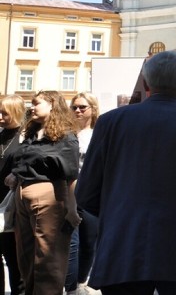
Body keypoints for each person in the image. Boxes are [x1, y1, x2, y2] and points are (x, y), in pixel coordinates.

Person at [76, 51, 176, 294]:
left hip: (122, 246)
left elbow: (86, 192)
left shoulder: (110, 122)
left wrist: (117, 214)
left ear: (147, 84)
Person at [2, 91, 80, 294]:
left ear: (53, 105)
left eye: (37, 103)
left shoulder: (65, 136)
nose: (32, 107)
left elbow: (71, 175)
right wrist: (16, 174)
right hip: (22, 197)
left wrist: (72, 208)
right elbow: (24, 161)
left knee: (48, 258)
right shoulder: (31, 133)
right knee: (25, 257)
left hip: (49, 196)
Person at [65, 92, 100, 295]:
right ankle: (71, 288)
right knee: (71, 243)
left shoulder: (98, 133)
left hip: (91, 194)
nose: (77, 110)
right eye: (74, 107)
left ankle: (80, 283)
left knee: (89, 241)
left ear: (93, 109)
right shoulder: (66, 133)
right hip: (68, 193)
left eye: (82, 107)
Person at [0, 95, 26, 295]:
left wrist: (16, 173)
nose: (0, 117)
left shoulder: (26, 136)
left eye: (4, 113)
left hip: (12, 204)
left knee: (13, 256)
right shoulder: (1, 134)